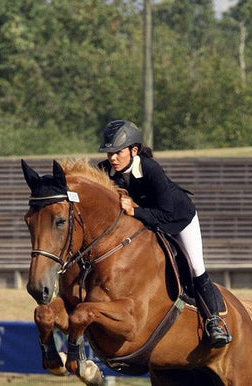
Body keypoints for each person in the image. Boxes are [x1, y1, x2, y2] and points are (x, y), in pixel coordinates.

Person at [96, 119, 232, 348]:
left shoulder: (151, 169)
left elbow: (166, 214)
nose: (113, 158)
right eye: (109, 154)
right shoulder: (105, 169)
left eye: (118, 153)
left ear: (134, 150)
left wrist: (135, 210)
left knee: (195, 266)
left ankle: (214, 322)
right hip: (145, 222)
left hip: (179, 219)